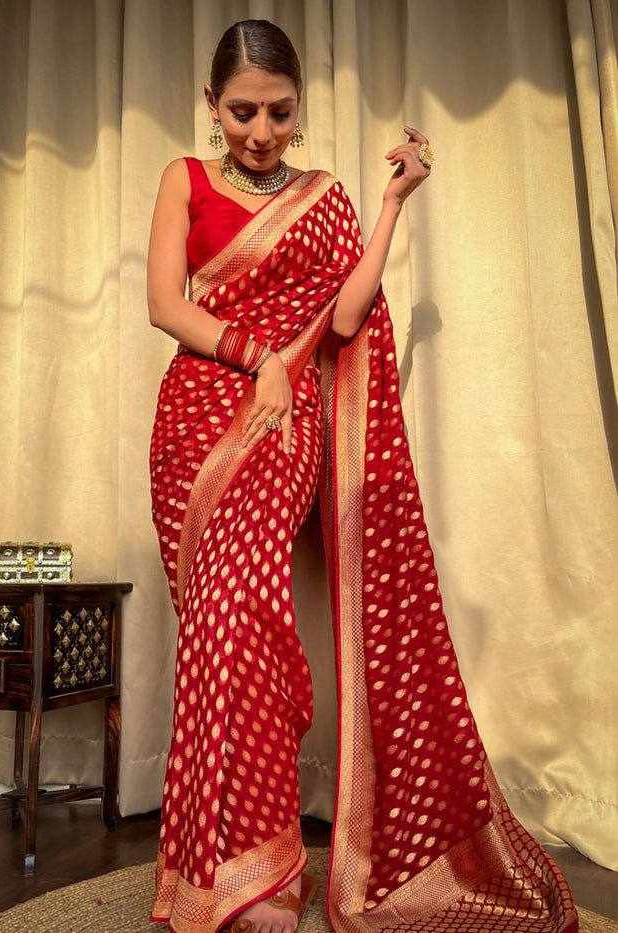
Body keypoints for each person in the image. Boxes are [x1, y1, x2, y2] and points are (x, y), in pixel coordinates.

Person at [145, 18, 579, 933]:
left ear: (299, 105)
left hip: (284, 424)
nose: (261, 132)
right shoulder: (182, 180)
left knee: (251, 616)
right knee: (215, 628)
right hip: (196, 420)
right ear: (211, 104)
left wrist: (392, 204)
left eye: (279, 112)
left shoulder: (324, 197)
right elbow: (164, 306)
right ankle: (211, 865)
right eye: (242, 112)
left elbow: (345, 318)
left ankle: (264, 870)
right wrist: (258, 355)